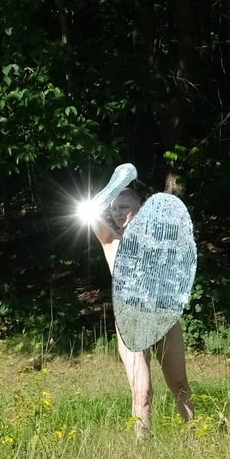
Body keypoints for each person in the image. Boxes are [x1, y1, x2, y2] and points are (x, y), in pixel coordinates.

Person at [86, 179, 195, 436]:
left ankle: (196, 440)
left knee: (180, 384)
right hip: (130, 324)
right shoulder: (111, 241)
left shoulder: (159, 240)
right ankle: (141, 450)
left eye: (124, 206)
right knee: (142, 392)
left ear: (140, 207)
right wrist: (117, 183)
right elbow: (91, 212)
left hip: (164, 320)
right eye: (114, 207)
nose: (118, 211)